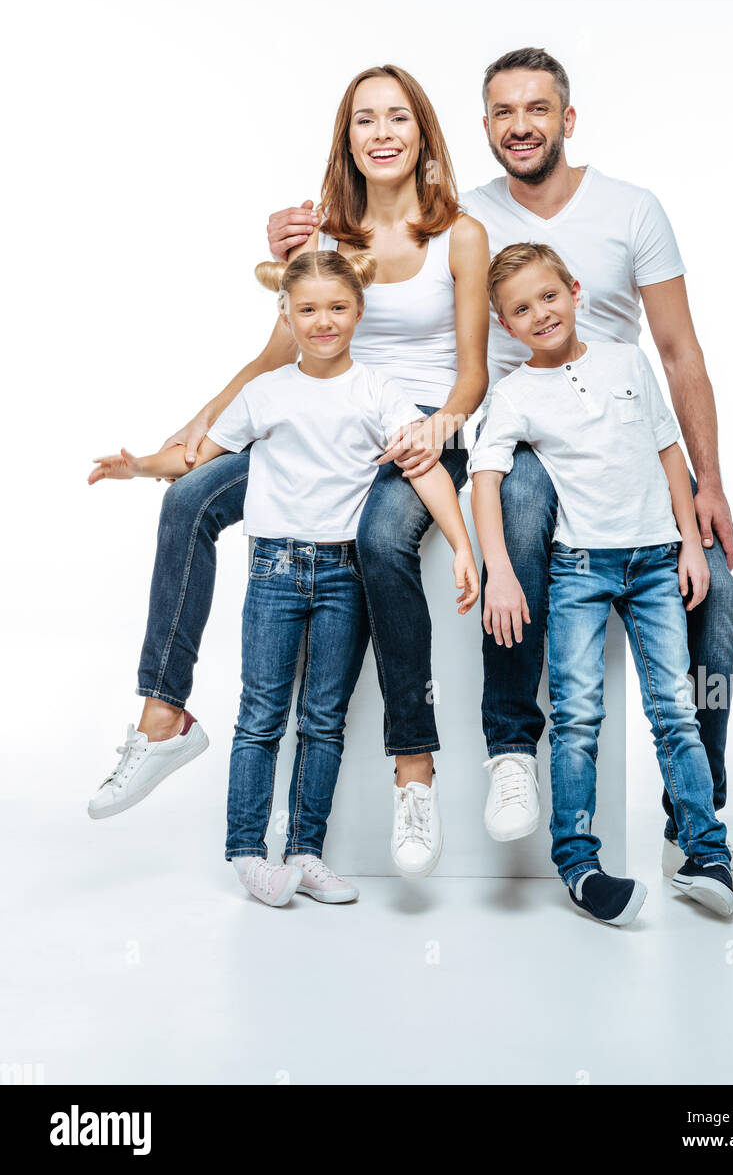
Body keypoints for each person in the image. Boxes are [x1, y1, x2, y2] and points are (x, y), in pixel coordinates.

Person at [267, 46, 733, 900]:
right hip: (516, 431)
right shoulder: (461, 216)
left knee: (714, 591)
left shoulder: (630, 210)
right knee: (493, 512)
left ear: (566, 120)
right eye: (502, 113)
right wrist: (296, 239)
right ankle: (507, 751)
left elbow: (680, 354)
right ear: (483, 128)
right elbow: (368, 248)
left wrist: (708, 482)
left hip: (625, 431)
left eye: (536, 109)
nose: (520, 126)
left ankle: (697, 831)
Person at [89, 63, 490, 881]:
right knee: (191, 499)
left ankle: (411, 769)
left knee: (380, 537)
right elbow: (280, 356)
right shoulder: (324, 243)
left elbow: (473, 373)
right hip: (318, 419)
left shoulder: (461, 233)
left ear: (422, 136)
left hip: (413, 427)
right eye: (364, 121)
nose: (382, 134)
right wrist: (200, 425)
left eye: (397, 119)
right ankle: (164, 714)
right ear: (346, 139)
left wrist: (439, 427)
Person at [470, 242, 733, 924]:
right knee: (578, 719)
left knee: (674, 711)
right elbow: (485, 479)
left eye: (548, 296)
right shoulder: (515, 392)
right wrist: (499, 568)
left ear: (575, 290)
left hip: (653, 562)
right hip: (579, 567)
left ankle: (706, 851)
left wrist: (688, 544)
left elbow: (666, 449)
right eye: (521, 309)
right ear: (504, 324)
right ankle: (579, 865)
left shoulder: (624, 359)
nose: (540, 314)